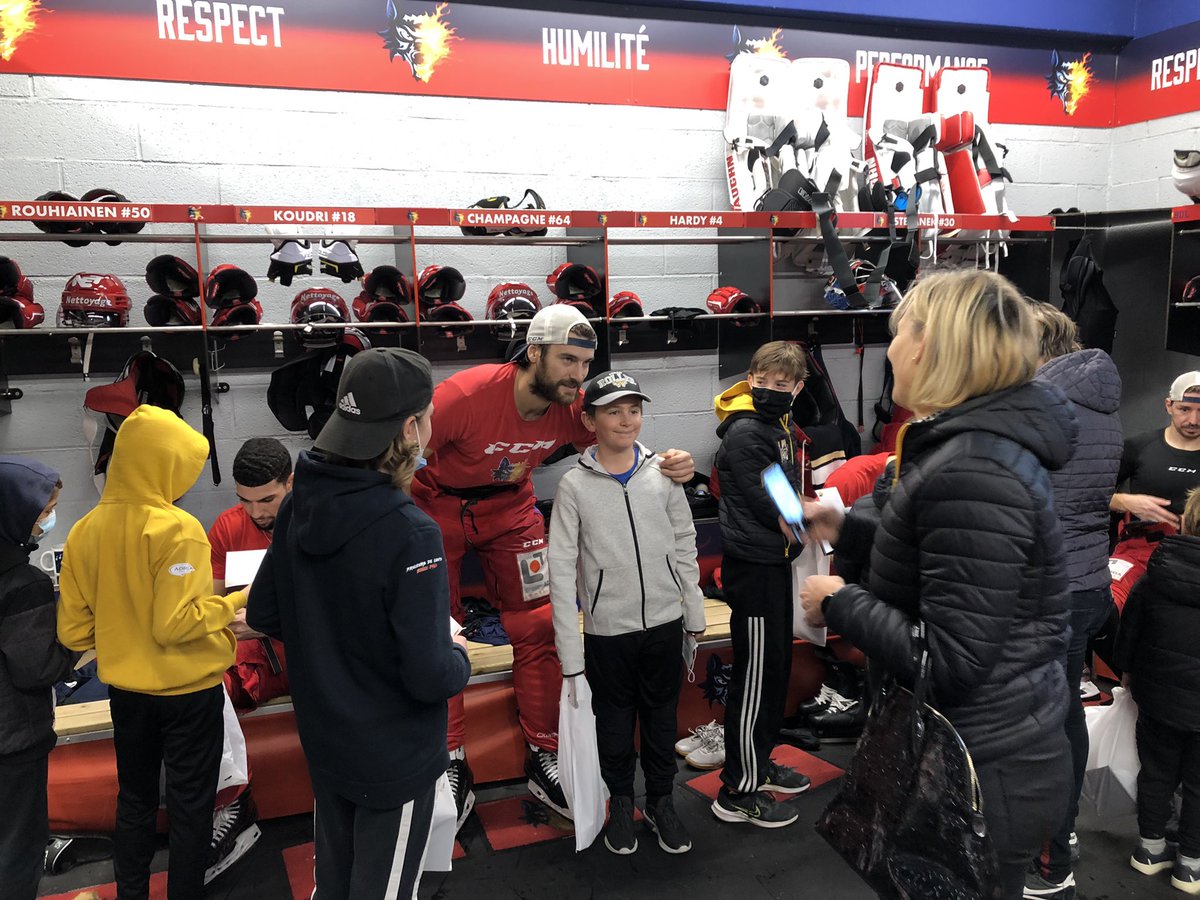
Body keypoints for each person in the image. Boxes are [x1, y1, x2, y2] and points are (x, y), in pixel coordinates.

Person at [799, 270, 1078, 900]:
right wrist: (850, 530)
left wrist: (840, 601)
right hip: (974, 750)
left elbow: (951, 658)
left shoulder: (974, 465)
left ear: (928, 344)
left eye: (898, 334)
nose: (892, 350)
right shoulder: (969, 450)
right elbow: (948, 560)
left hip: (981, 766)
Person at [411, 303, 693, 825]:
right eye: (567, 359)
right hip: (436, 508)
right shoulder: (465, 395)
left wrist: (666, 463)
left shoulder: (573, 406)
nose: (578, 374)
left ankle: (544, 750)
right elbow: (400, 453)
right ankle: (449, 756)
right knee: (436, 630)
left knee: (539, 624)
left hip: (509, 509)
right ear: (533, 353)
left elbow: (620, 440)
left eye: (585, 363)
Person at [247, 347, 471, 900]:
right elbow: (430, 674)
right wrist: (459, 657)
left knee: (335, 885)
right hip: (394, 757)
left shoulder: (299, 503)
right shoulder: (410, 532)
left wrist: (333, 635)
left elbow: (264, 612)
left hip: (327, 741)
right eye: (428, 417)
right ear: (410, 429)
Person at [57, 405, 248, 900]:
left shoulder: (83, 530)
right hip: (189, 694)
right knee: (190, 807)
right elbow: (177, 624)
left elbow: (74, 631)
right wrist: (235, 603)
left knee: (135, 801)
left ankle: (131, 894)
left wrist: (123, 628)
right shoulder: (178, 528)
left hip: (127, 693)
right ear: (166, 464)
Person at [548, 370, 706, 855]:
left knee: (661, 720)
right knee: (614, 724)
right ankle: (620, 801)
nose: (626, 420)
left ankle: (660, 801)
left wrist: (693, 611)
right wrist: (570, 653)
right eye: (613, 411)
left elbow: (684, 543)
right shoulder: (574, 486)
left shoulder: (664, 474)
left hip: (664, 624)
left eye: (633, 410)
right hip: (607, 631)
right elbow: (561, 570)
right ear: (589, 420)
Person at [1023, 302, 1122, 900]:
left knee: (1044, 727)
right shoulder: (1096, 400)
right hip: (1083, 583)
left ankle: (1052, 856)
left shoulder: (1043, 406)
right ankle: (1060, 835)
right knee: (1062, 718)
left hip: (1046, 588)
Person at [710, 340, 814, 828]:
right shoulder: (748, 431)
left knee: (774, 670)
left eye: (783, 383)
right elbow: (776, 503)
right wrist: (813, 518)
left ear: (798, 388)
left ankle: (759, 761)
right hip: (752, 569)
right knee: (754, 678)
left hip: (774, 564)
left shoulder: (779, 426)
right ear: (750, 380)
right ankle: (738, 789)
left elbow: (787, 497)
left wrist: (802, 519)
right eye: (763, 381)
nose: (771, 389)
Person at [205, 437, 295, 882]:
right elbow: (209, 605)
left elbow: (339, 609)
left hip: (309, 651)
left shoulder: (318, 520)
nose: (256, 511)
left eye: (267, 499)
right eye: (245, 500)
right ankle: (231, 802)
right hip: (253, 658)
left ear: (291, 483)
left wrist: (267, 621)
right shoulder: (227, 526)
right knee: (200, 686)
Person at [1115, 486, 1200, 894]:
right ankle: (1191, 865)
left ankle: (1149, 849)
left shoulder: (1156, 574)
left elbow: (1128, 632)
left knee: (1156, 773)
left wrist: (1127, 673)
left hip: (1157, 699)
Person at [0, 457, 78, 900]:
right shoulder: (22, 583)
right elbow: (37, 669)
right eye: (44, 511)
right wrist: (80, 642)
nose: (48, 519)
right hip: (13, 743)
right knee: (18, 849)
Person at [1106, 372, 1200, 617]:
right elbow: (1086, 494)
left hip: (1193, 558)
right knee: (1106, 605)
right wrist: (1124, 501)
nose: (1193, 420)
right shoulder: (1139, 446)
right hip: (1138, 550)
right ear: (1168, 405)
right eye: (1184, 409)